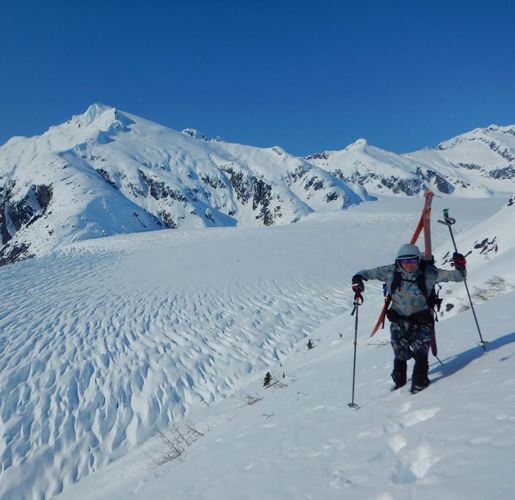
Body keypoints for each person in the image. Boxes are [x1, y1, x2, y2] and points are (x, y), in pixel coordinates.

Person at [352, 243, 467, 394]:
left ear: (418, 260)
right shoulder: (390, 272)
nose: (409, 265)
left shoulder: (429, 273)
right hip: (399, 321)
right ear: (399, 261)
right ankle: (399, 386)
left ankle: (419, 386)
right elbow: (365, 273)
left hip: (422, 321)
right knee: (400, 355)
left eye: (412, 261)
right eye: (405, 261)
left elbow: (458, 277)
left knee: (421, 353)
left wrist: (460, 267)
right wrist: (357, 280)